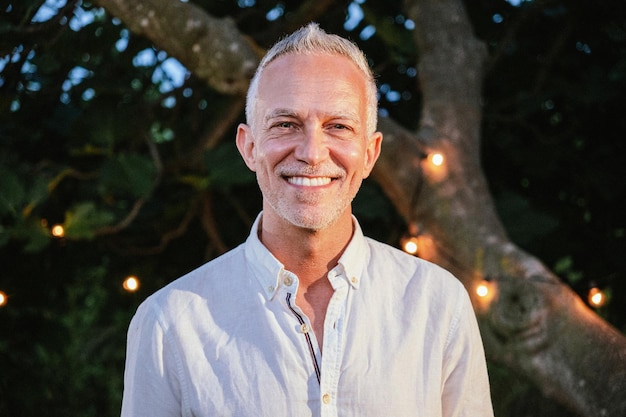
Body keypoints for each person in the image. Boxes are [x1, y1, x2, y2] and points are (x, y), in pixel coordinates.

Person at [121, 23, 494, 417]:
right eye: (286, 125)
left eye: (338, 127)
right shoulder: (170, 324)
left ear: (370, 153)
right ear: (248, 147)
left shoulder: (437, 305)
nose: (313, 152)